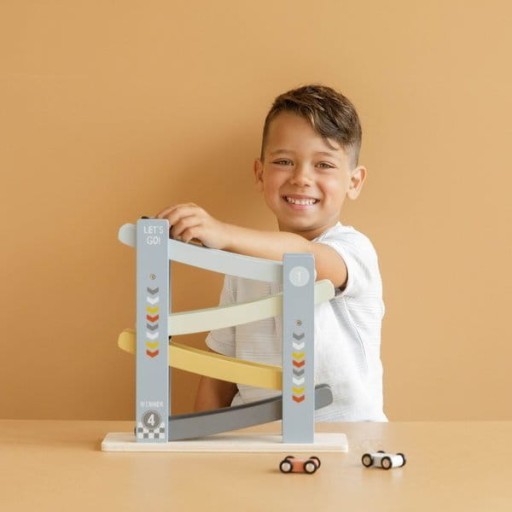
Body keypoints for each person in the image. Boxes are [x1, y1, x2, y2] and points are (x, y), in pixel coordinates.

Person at [157, 84, 387, 421]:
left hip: (349, 438)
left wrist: (222, 233)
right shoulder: (241, 266)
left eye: (323, 164)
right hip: (256, 441)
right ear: (260, 173)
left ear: (354, 182)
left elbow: (305, 257)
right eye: (284, 161)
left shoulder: (354, 250)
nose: (302, 178)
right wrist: (202, 440)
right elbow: (219, 375)